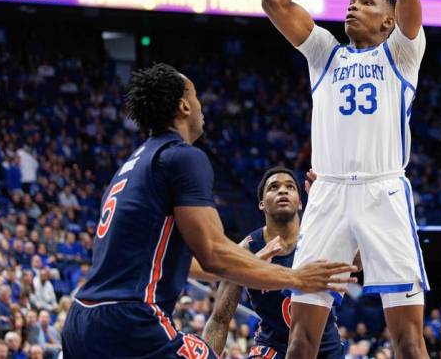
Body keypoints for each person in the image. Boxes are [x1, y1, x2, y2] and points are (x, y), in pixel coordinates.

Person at [61, 64, 355, 358]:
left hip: (82, 319)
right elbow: (213, 253)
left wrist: (250, 265)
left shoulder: (131, 166)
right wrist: (297, 278)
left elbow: (173, 261)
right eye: (197, 96)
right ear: (184, 105)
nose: (202, 106)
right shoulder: (182, 157)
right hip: (129, 321)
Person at [262, 0, 428, 357]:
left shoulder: (402, 53)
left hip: (383, 192)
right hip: (328, 196)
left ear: (388, 23)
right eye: (351, 1)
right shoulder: (324, 54)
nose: (353, 6)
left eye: (368, 2)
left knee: (409, 340)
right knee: (300, 339)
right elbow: (273, 1)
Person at [201, 167, 345, 358]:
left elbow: (359, 263)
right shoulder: (246, 249)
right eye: (274, 187)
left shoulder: (319, 237)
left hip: (324, 348)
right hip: (272, 347)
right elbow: (219, 319)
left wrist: (331, 210)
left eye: (290, 187)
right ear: (262, 204)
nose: (283, 191)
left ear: (301, 203)